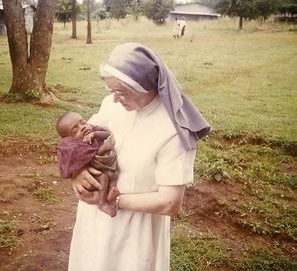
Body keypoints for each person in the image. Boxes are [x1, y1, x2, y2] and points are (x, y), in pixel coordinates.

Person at [68, 42, 211, 271]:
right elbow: (78, 143)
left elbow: (170, 202)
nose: (115, 99)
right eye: (111, 91)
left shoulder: (172, 130)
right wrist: (76, 172)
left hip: (134, 231)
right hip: (93, 220)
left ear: (145, 86)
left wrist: (112, 201)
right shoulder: (111, 106)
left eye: (121, 92)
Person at [56, 112, 120, 217]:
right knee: (103, 177)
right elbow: (73, 160)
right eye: (75, 130)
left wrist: (95, 134)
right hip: (95, 173)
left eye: (83, 122)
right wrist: (76, 172)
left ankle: (110, 195)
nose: (83, 128)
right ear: (69, 139)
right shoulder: (75, 146)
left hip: (107, 166)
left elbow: (107, 134)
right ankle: (102, 203)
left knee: (113, 176)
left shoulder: (94, 130)